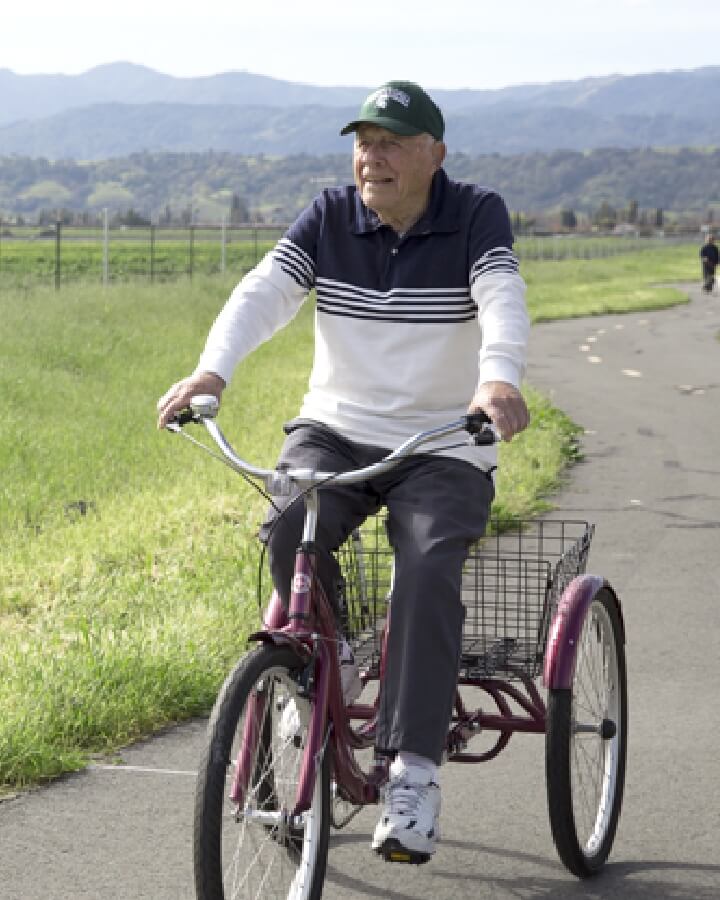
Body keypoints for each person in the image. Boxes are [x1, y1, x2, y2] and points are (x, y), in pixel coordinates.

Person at [157, 80, 530, 863]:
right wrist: (210, 373)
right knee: (287, 516)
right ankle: (318, 665)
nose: (372, 156)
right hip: (337, 430)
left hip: (444, 442)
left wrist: (497, 378)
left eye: (392, 142)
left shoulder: (475, 212)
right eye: (363, 141)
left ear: (436, 154)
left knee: (425, 565)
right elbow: (265, 290)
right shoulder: (330, 215)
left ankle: (413, 775)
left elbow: (500, 293)